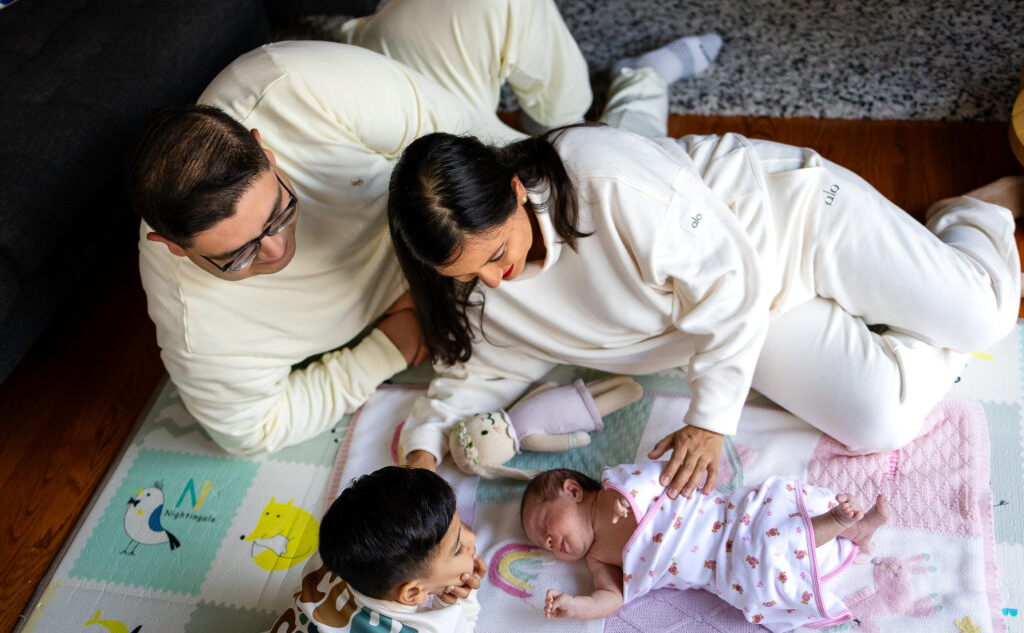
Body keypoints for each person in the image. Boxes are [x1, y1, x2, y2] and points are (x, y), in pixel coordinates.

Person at [127, 0, 721, 455]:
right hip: (428, 266)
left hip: (403, 124)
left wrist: (558, 179)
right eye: (238, 255)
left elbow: (460, 135)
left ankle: (585, 117)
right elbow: (252, 432)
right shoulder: (194, 324)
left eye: (279, 212)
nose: (278, 250)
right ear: (173, 248)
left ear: (267, 149)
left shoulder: (287, 85)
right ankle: (638, 90)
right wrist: (391, 342)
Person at [386, 124, 1022, 497]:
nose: (493, 281)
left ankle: (974, 212)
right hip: (742, 324)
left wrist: (711, 421)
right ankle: (909, 306)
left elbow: (727, 279)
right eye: (466, 275)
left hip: (788, 224)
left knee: (987, 316)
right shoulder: (477, 285)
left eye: (498, 253)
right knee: (881, 422)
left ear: (517, 191)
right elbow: (485, 369)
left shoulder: (602, 177)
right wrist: (421, 453)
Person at [519, 464, 890, 633]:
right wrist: (578, 606)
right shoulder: (598, 558)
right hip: (721, 569)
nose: (550, 544)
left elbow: (663, 474)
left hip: (728, 521)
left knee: (770, 532)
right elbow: (612, 596)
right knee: (762, 563)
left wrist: (624, 497)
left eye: (545, 526)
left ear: (572, 491)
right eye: (543, 546)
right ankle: (851, 530)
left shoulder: (615, 482)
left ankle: (845, 523)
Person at [224, 466, 486, 633]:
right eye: (459, 548)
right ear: (412, 594)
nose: (473, 538)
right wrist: (460, 600)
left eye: (461, 527)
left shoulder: (326, 562)